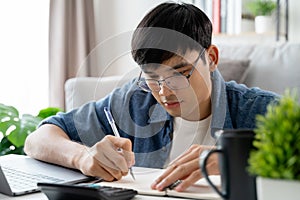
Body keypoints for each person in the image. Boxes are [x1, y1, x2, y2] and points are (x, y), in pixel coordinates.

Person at [24, 2, 279, 192]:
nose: (164, 91)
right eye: (152, 78)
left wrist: (240, 160)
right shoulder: (135, 100)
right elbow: (39, 137)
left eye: (180, 74)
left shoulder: (262, 110)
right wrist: (81, 157)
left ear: (211, 58)